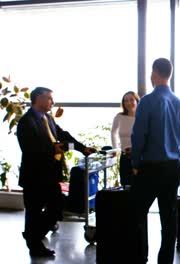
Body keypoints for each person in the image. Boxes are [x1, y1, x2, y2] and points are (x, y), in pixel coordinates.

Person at [16, 87, 95, 257]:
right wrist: (54, 149)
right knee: (34, 212)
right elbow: (30, 149)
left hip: (50, 175)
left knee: (56, 207)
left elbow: (63, 135)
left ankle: (32, 235)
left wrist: (82, 148)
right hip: (35, 176)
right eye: (50, 98)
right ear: (38, 98)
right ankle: (35, 245)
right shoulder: (26, 122)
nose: (53, 102)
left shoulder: (48, 118)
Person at [130, 58, 180, 263]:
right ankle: (165, 261)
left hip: (151, 167)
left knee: (136, 213)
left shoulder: (147, 101)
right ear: (169, 75)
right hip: (174, 167)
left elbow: (139, 135)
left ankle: (139, 256)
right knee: (169, 218)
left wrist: (135, 163)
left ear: (153, 73)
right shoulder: (179, 103)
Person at [111, 91, 140, 187]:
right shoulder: (119, 117)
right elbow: (113, 132)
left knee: (139, 186)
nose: (129, 103)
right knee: (125, 185)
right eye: (126, 101)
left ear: (136, 101)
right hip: (124, 156)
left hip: (139, 157)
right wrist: (115, 149)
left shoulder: (142, 117)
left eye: (131, 100)